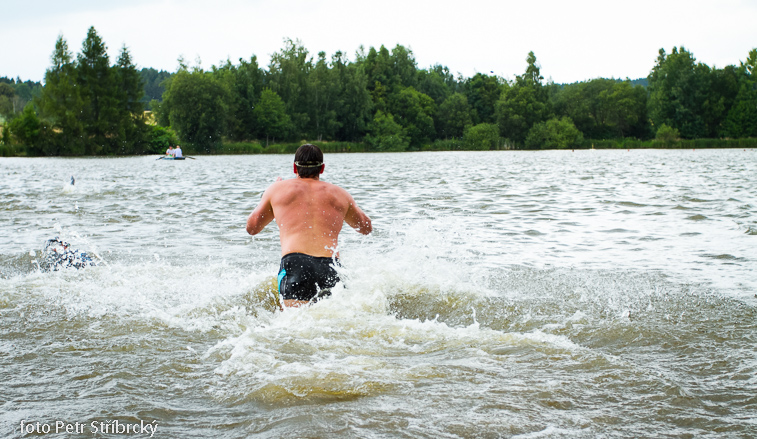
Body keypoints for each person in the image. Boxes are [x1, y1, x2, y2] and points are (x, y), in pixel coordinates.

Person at [246, 144, 372, 308]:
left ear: (294, 167)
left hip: (295, 263)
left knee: (294, 326)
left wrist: (267, 195)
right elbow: (366, 228)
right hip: (331, 266)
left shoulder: (277, 189)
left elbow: (252, 228)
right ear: (322, 169)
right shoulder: (340, 193)